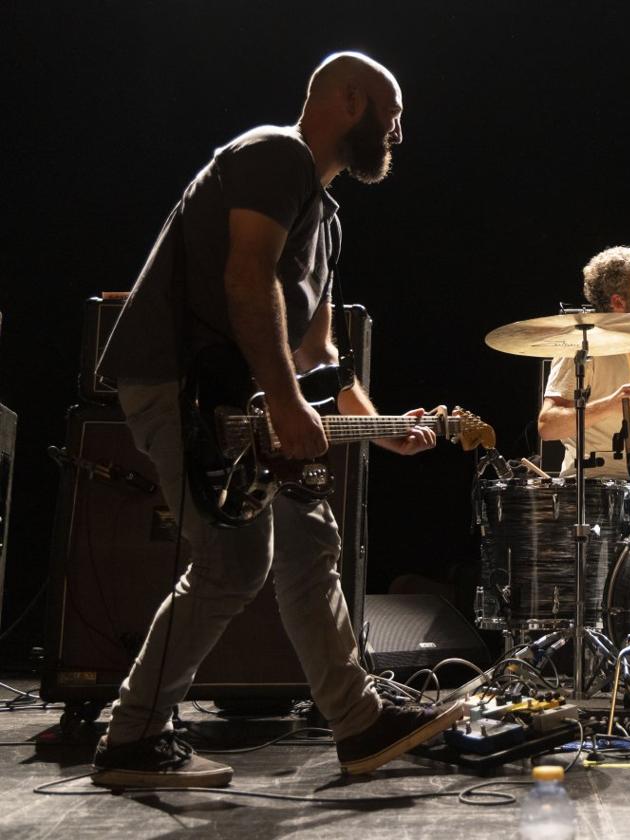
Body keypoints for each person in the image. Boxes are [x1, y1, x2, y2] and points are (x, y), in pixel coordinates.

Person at [91, 52, 460, 788]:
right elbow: (245, 275)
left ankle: (356, 725)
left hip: (247, 394)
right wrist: (285, 404)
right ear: (350, 100)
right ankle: (132, 738)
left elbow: (322, 359)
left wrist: (379, 427)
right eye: (393, 113)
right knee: (233, 562)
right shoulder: (274, 153)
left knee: (308, 540)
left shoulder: (327, 219)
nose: (398, 133)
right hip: (182, 381)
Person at [537, 246, 630, 525]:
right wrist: (609, 405)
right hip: (603, 487)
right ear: (618, 302)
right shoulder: (582, 350)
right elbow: (548, 425)